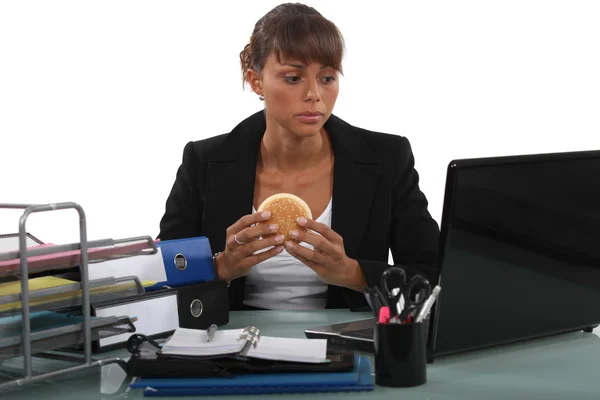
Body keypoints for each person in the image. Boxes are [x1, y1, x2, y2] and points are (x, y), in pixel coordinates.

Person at [157, 2, 440, 312]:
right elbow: (162, 277)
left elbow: (432, 276)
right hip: (230, 349)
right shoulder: (203, 161)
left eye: (327, 78)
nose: (314, 94)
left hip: (346, 351)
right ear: (256, 81)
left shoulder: (387, 158)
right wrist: (221, 268)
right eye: (293, 78)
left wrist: (353, 274)